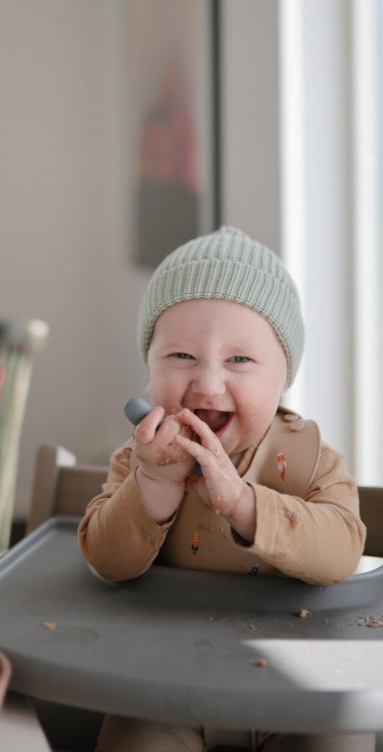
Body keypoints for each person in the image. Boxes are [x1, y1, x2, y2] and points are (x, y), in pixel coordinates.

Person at [78, 226, 371, 752]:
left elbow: (342, 552)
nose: (208, 385)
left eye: (240, 360)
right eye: (181, 357)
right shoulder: (138, 460)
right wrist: (156, 482)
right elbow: (108, 560)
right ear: (148, 370)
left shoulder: (312, 461)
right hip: (163, 680)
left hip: (300, 683)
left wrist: (241, 503)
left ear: (283, 378)